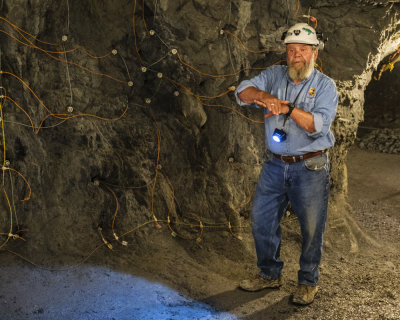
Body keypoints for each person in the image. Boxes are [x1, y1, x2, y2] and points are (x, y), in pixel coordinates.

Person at [234, 22, 338, 305]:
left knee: (312, 227)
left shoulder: (325, 87)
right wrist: (266, 98)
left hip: (311, 166)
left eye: (303, 49)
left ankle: (307, 281)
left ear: (314, 53)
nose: (296, 55)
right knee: (261, 220)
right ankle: (269, 274)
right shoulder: (274, 75)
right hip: (275, 164)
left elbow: (318, 125)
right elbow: (242, 91)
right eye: (292, 50)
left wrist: (288, 109)